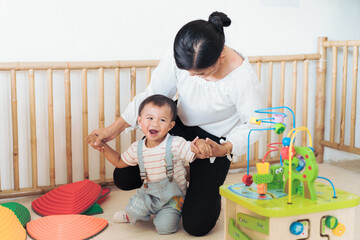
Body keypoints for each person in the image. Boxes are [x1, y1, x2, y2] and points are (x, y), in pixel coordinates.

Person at [88, 11, 263, 236]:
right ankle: (175, 185)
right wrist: (112, 130)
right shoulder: (181, 54)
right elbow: (153, 95)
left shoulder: (242, 78)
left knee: (197, 226)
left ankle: (197, 190)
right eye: (187, 71)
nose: (191, 77)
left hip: (214, 141)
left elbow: (255, 124)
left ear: (220, 57)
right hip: (177, 126)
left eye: (199, 73)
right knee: (124, 176)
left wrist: (225, 148)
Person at [88, 94, 210, 234]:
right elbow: (119, 162)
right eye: (149, 118)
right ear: (140, 121)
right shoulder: (137, 147)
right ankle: (130, 214)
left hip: (174, 197)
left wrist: (200, 142)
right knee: (134, 212)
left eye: (162, 120)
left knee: (165, 228)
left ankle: (170, 213)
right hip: (148, 194)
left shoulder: (176, 143)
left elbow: (194, 150)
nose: (155, 124)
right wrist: (103, 146)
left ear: (170, 125)